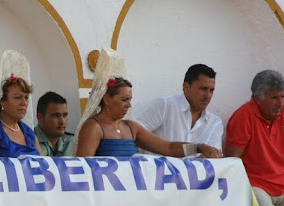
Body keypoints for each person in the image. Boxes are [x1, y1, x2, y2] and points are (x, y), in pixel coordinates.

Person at [226, 70, 284, 206]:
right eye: (274, 98)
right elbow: (233, 160)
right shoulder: (243, 116)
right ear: (258, 97)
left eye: (282, 96)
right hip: (256, 184)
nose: (281, 103)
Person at [76, 77, 221, 158]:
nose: (129, 105)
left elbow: (168, 148)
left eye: (130, 100)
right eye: (124, 100)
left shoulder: (130, 127)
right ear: (107, 99)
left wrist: (198, 147)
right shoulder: (93, 127)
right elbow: (84, 166)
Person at [135, 64, 223, 150]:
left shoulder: (215, 123)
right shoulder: (165, 105)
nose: (208, 95)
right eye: (203, 89)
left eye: (211, 90)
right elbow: (134, 133)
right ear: (186, 87)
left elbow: (213, 156)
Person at [35, 91, 73, 157]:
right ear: (40, 118)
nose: (62, 122)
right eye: (56, 116)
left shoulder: (73, 142)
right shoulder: (28, 141)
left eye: (65, 115)